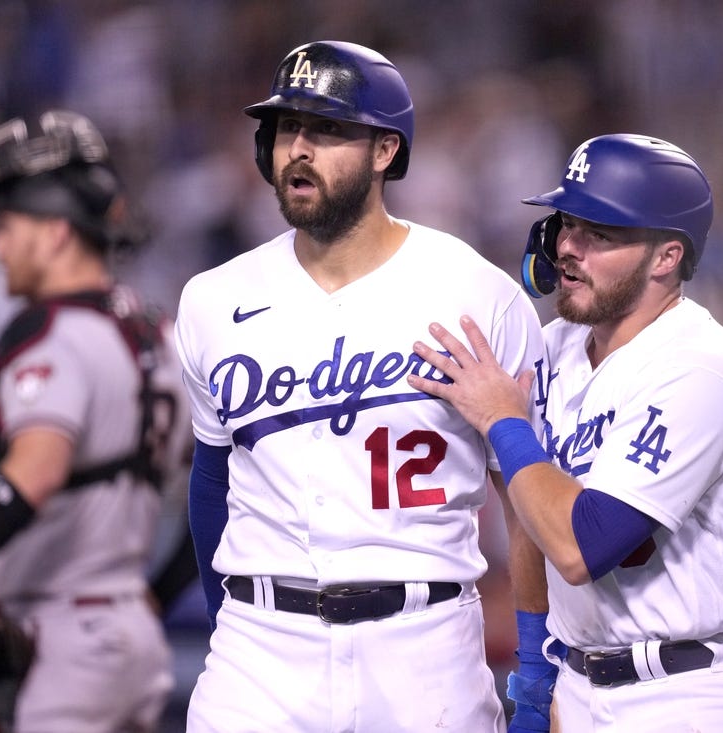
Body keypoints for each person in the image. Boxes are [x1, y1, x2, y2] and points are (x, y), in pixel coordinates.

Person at [174, 40, 545, 732]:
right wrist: (233, 622)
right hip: (261, 651)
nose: (299, 148)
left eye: (328, 129)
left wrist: (536, 670)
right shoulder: (212, 300)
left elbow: (526, 502)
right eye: (287, 128)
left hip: (424, 645)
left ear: (385, 151)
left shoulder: (477, 294)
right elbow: (210, 478)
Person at [409, 133, 723, 731]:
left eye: (600, 233)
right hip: (581, 686)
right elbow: (529, 517)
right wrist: (535, 676)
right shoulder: (554, 347)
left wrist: (504, 420)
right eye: (566, 224)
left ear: (666, 257)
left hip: (692, 694)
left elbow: (583, 545)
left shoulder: (699, 366)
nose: (567, 247)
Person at [0, 110, 197, 733]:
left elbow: (37, 469)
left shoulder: (52, 334)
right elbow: (218, 494)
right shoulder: (165, 335)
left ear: (57, 232)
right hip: (131, 636)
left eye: (8, 224)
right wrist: (160, 595)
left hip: (60, 646)